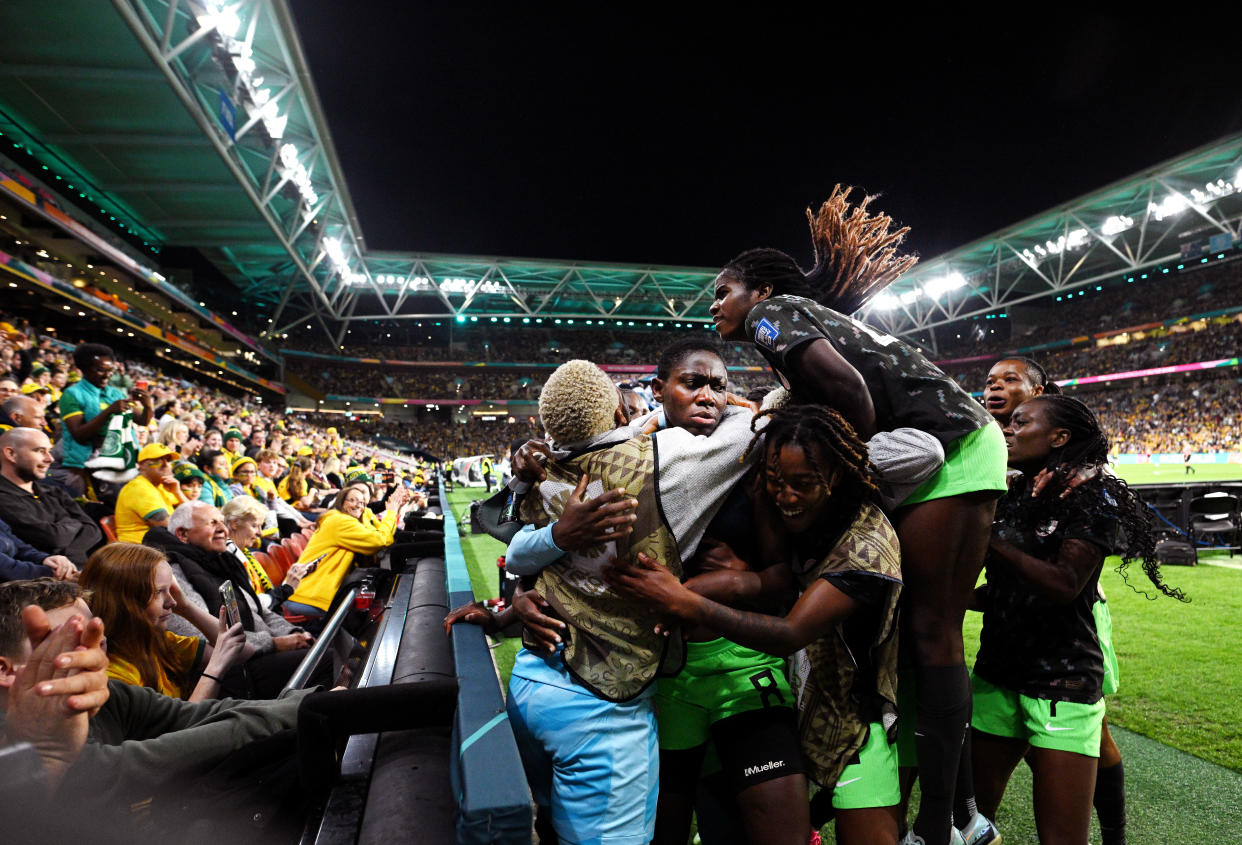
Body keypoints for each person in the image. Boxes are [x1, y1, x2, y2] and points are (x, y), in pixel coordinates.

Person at [708, 187, 1007, 845]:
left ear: (757, 290)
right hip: (960, 439)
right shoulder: (791, 322)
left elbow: (850, 393)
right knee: (920, 635)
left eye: (722, 290)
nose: (714, 303)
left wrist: (853, 479)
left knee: (931, 632)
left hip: (949, 443)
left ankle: (940, 823)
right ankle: (962, 816)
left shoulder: (773, 316)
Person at [606, 405, 905, 844]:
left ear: (835, 477)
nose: (785, 495)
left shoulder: (863, 546)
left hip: (853, 719)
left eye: (801, 484)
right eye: (775, 480)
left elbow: (791, 633)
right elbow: (780, 575)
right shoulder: (790, 507)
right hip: (798, 702)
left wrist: (687, 599)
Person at [495, 359, 759, 845]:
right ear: (620, 407)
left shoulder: (543, 465)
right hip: (603, 705)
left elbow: (513, 552)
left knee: (547, 826)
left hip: (533, 680)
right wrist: (731, 402)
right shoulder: (668, 457)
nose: (706, 396)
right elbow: (750, 428)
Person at [971, 395, 1184, 845]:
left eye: (1021, 422)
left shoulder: (1093, 497)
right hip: (997, 671)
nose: (1007, 428)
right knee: (971, 822)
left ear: (1059, 438)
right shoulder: (1012, 490)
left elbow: (1065, 584)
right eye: (1007, 422)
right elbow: (1007, 589)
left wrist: (992, 540)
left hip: (1062, 682)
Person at [0, 578, 314, 842]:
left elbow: (194, 716)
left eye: (98, 640)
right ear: (5, 669)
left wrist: (315, 704)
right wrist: (309, 707)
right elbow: (151, 759)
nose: (92, 656)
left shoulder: (109, 688)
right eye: (64, 645)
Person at [144, 501, 314, 697]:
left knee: (322, 650)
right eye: (212, 523)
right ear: (183, 534)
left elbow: (260, 612)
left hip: (258, 652)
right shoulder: (175, 574)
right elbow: (197, 638)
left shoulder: (223, 563)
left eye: (222, 522)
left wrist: (294, 634)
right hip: (235, 673)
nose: (223, 529)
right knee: (327, 661)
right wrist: (274, 642)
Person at [79, 542, 249, 701]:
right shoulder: (113, 675)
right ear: (123, 601)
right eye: (159, 592)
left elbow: (242, 653)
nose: (172, 602)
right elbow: (183, 729)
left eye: (171, 590)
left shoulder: (153, 640)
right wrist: (215, 669)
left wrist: (186, 607)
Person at [283, 482, 409, 623]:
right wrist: (391, 512)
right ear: (341, 502)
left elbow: (384, 536)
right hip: (309, 595)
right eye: (352, 500)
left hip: (315, 592)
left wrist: (394, 509)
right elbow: (379, 541)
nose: (358, 505)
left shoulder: (354, 519)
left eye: (362, 501)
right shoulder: (340, 521)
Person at [57, 343, 152, 498]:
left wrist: (147, 406)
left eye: (110, 371)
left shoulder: (114, 393)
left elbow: (142, 421)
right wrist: (108, 411)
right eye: (101, 370)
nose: (107, 375)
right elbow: (80, 435)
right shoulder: (72, 395)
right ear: (84, 369)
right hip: (89, 463)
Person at [0, 428, 105, 566]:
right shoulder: (3, 497)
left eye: (49, 451)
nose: (50, 459)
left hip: (79, 572)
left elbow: (93, 530)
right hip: (42, 579)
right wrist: (74, 525)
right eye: (40, 451)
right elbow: (53, 538)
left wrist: (61, 544)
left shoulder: (54, 491)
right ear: (11, 454)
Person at [221, 495, 309, 614]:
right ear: (234, 523)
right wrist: (286, 588)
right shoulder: (227, 557)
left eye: (260, 526)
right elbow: (248, 605)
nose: (260, 533)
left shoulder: (241, 551)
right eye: (254, 526)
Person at [113, 443, 188, 543]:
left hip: (158, 546)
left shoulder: (161, 486)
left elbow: (192, 511)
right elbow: (168, 527)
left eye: (168, 460)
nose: (166, 465)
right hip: (138, 551)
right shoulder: (139, 488)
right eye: (158, 460)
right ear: (142, 465)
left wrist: (178, 492)